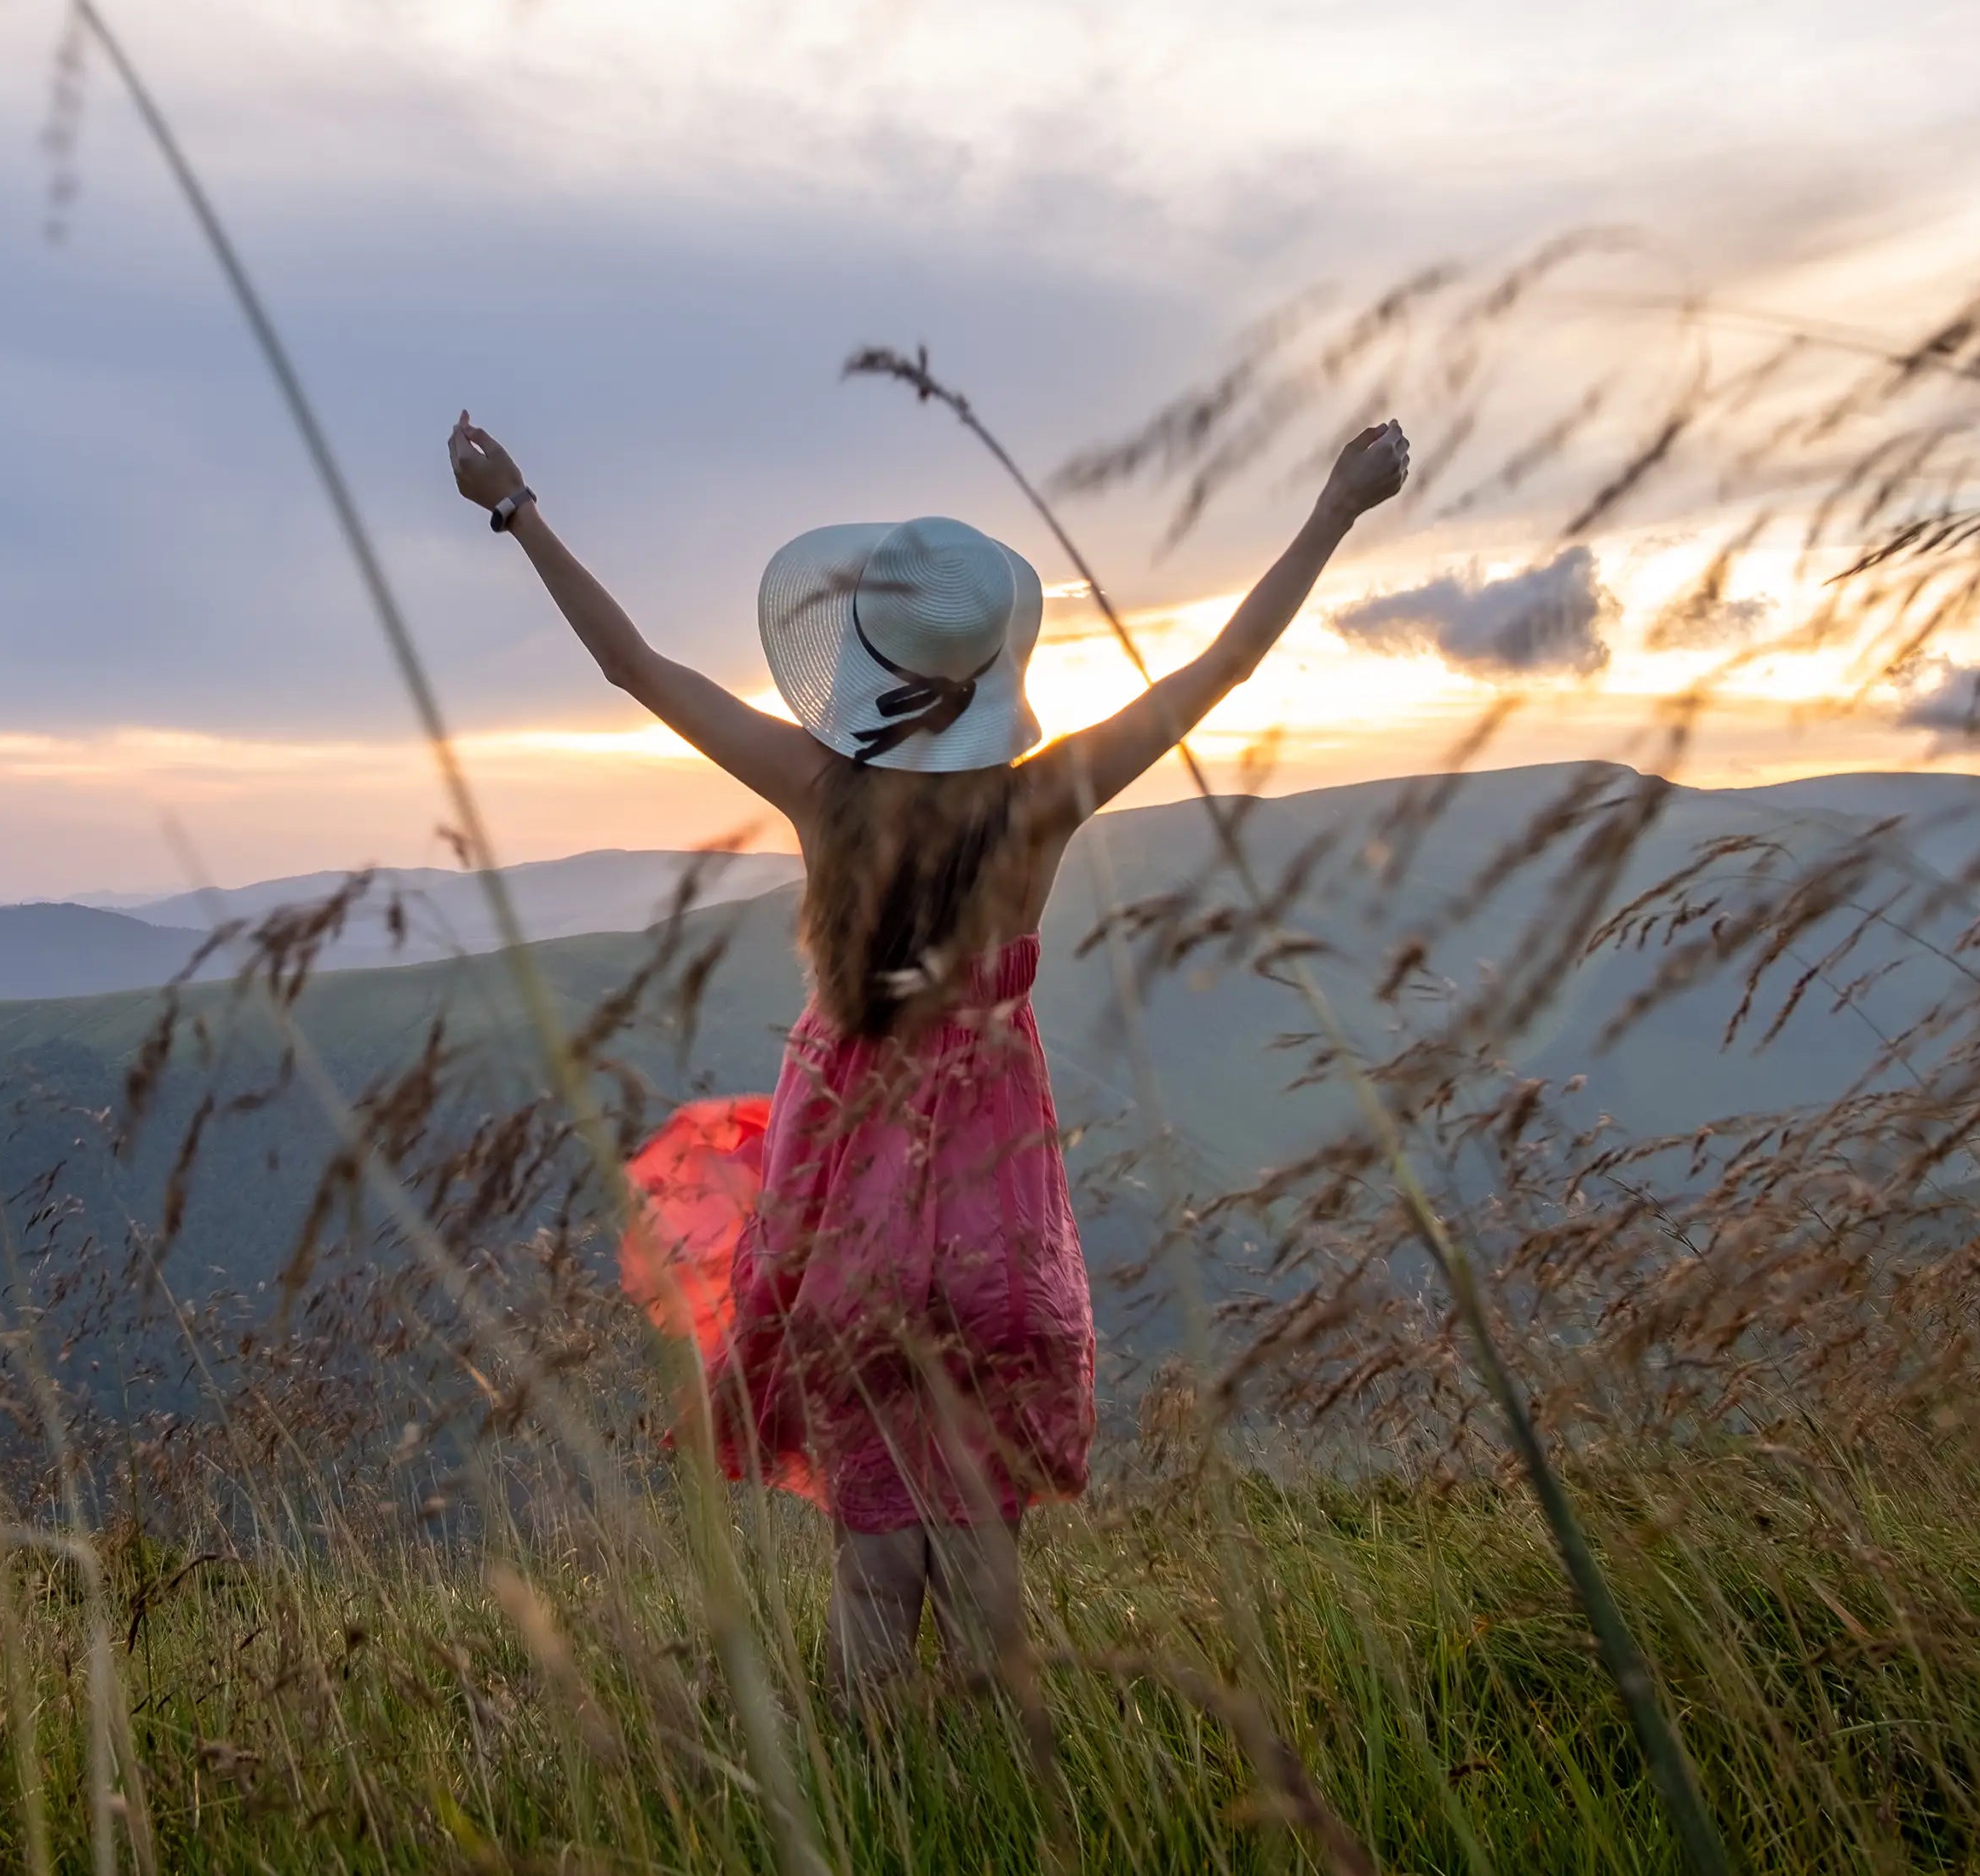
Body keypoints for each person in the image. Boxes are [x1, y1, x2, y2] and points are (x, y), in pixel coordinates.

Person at [445, 409, 1410, 1689]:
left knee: (873, 1553)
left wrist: (514, 504)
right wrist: (1339, 503)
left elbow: (635, 666)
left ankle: (873, 1800)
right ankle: (992, 1803)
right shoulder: (1042, 802)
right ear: (995, 665)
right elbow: (1220, 667)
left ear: (860, 655)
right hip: (994, 1216)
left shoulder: (820, 794)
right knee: (982, 1553)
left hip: (846, 1213)